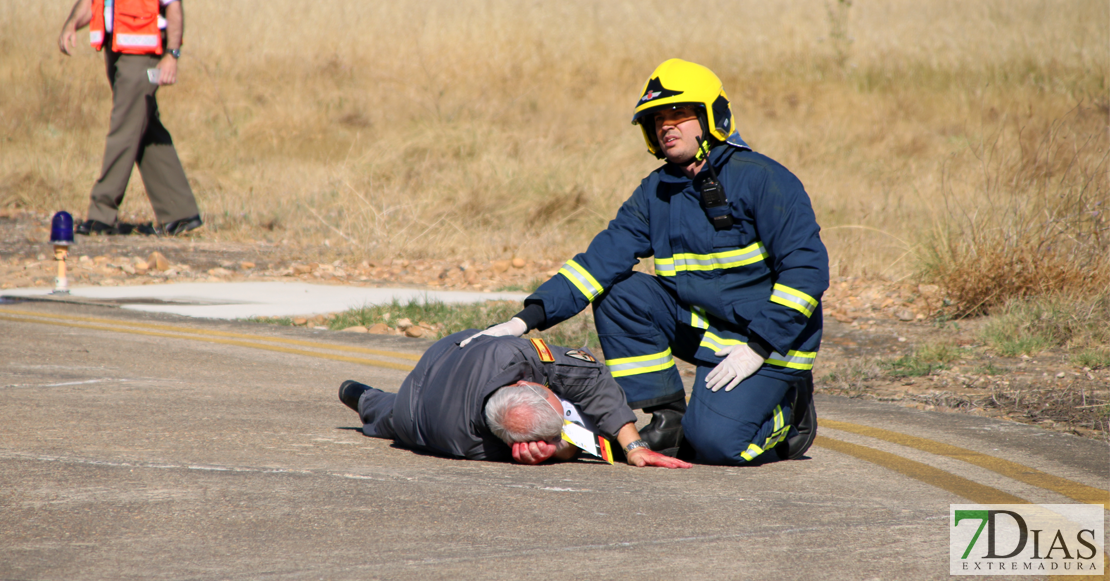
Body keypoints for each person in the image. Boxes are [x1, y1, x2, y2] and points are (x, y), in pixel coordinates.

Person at [463, 59, 829, 466]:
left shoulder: (764, 179)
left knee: (717, 446)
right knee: (620, 293)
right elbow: (599, 261)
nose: (666, 126)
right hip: (709, 331)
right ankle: (668, 417)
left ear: (713, 117)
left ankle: (790, 411)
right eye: (657, 119)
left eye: (678, 113)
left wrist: (759, 347)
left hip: (770, 342)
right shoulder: (656, 191)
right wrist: (523, 320)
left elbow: (807, 271)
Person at [338, 330, 691, 469]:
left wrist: (634, 445)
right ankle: (365, 397)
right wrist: (559, 451)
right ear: (526, 382)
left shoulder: (510, 354)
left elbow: (589, 378)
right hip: (427, 397)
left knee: (392, 412)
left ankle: (362, 396)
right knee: (396, 416)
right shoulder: (474, 445)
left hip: (425, 397)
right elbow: (590, 381)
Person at [58, 0, 203, 237]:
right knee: (143, 127)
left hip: (143, 56)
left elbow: (173, 5)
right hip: (114, 50)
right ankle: (181, 213)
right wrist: (71, 24)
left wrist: (172, 55)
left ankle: (101, 215)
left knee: (124, 129)